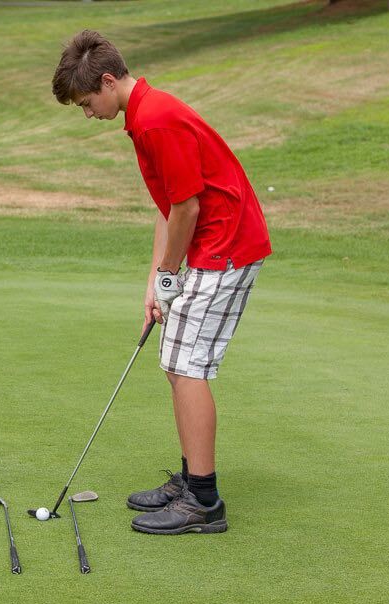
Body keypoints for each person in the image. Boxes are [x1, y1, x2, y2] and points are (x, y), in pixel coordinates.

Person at [52, 31, 272, 535]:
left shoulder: (155, 120)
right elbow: (170, 205)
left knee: (187, 365)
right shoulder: (144, 115)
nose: (88, 114)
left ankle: (203, 501)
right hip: (212, 244)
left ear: (108, 82)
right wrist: (156, 279)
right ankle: (192, 481)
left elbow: (188, 209)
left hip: (226, 246)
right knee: (177, 363)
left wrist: (171, 273)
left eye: (86, 103)